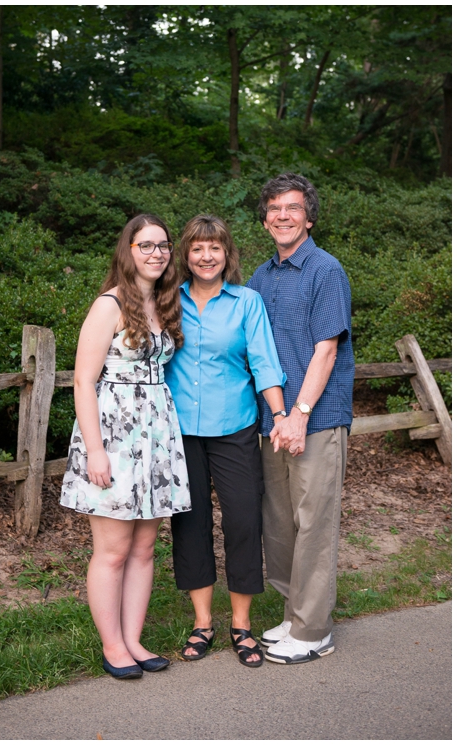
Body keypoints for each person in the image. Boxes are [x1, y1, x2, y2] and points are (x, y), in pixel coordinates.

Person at [60, 214, 191, 679]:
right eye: (146, 245)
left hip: (156, 436)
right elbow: (81, 380)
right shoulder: (108, 304)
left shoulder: (163, 303)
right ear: (128, 250)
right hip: (114, 437)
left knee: (144, 549)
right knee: (112, 549)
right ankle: (112, 645)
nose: (157, 253)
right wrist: (95, 451)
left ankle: (134, 639)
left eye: (163, 246)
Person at [164, 215, 287, 668]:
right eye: (197, 248)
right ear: (186, 254)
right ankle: (202, 623)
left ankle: (241, 624)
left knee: (242, 521)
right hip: (179, 430)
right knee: (190, 524)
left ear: (227, 253)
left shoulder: (246, 302)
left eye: (214, 247)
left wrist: (279, 415)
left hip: (234, 426)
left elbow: (264, 362)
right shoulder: (167, 300)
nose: (206, 256)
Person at [246, 173, 354, 665]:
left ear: (308, 216)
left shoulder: (325, 270)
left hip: (316, 417)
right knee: (281, 522)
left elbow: (326, 350)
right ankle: (293, 613)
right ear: (265, 218)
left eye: (291, 207)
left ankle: (314, 630)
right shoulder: (261, 277)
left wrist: (300, 414)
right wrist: (277, 415)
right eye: (273, 208)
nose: (281, 215)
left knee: (314, 522)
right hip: (273, 419)